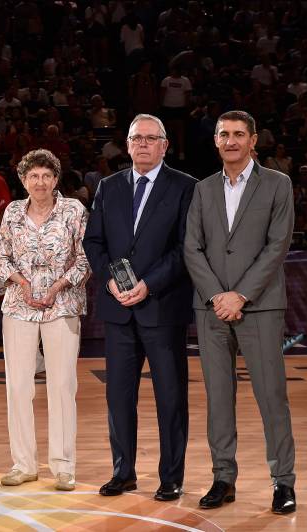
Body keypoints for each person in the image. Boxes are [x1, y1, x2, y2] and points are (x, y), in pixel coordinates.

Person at [184, 110, 297, 514]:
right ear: (215, 141)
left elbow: (277, 246)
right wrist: (217, 294)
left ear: (253, 141)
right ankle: (223, 477)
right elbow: (191, 248)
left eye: (238, 134)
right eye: (223, 134)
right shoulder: (203, 189)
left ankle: (283, 482)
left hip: (260, 306)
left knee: (271, 396)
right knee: (218, 398)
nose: (230, 141)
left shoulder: (278, 184)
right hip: (211, 308)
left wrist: (240, 295)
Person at [83, 114, 197, 502]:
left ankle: (171, 477)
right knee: (118, 398)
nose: (144, 144)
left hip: (162, 309)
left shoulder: (186, 187)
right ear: (127, 145)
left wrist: (149, 284)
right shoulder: (108, 187)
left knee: (170, 398)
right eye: (137, 138)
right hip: (118, 311)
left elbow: (185, 249)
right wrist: (109, 280)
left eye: (152, 138)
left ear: (165, 145)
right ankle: (123, 472)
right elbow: (93, 243)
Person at [0, 148, 89, 491]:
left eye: (46, 175)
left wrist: (56, 287)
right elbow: (1, 258)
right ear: (23, 180)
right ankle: (23, 464)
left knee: (62, 386)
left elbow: (84, 260)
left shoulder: (74, 210)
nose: (40, 182)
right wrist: (22, 285)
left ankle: (64, 467)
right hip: (19, 307)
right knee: (18, 387)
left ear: (55, 179)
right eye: (33, 176)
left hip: (62, 306)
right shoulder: (12, 212)